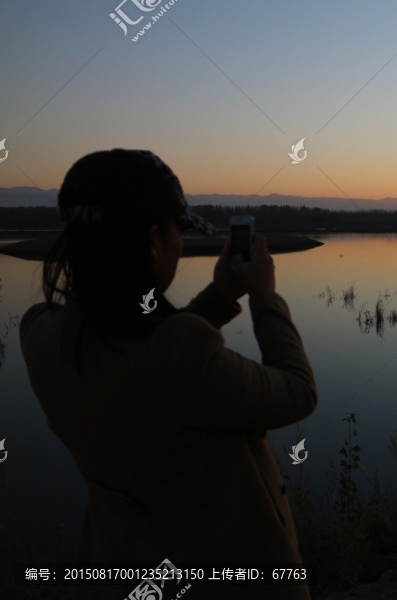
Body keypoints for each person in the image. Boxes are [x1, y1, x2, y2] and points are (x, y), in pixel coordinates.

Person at [19, 149, 317, 599]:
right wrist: (264, 297)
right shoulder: (176, 353)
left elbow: (148, 357)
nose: (181, 244)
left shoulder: (40, 333)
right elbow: (298, 391)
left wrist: (218, 296)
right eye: (179, 230)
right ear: (154, 239)